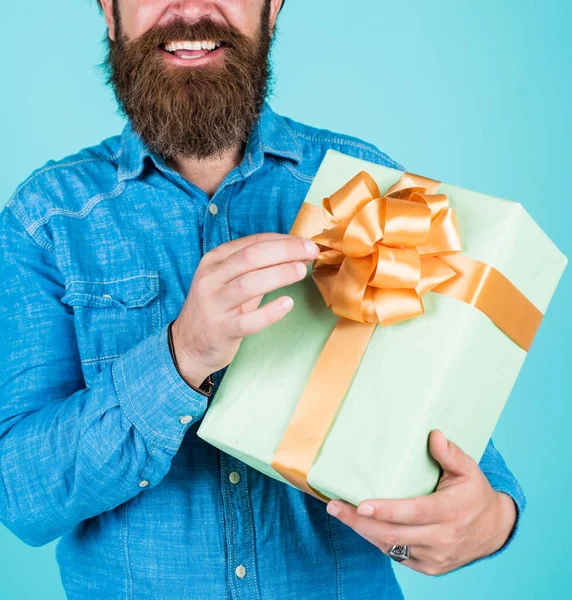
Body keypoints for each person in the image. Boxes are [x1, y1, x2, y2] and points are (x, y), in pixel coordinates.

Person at [0, 1, 525, 598]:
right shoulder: (44, 220)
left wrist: (491, 517)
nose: (192, 7)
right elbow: (19, 494)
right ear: (108, 10)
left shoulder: (371, 187)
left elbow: (451, 419)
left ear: (273, 7)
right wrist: (180, 356)